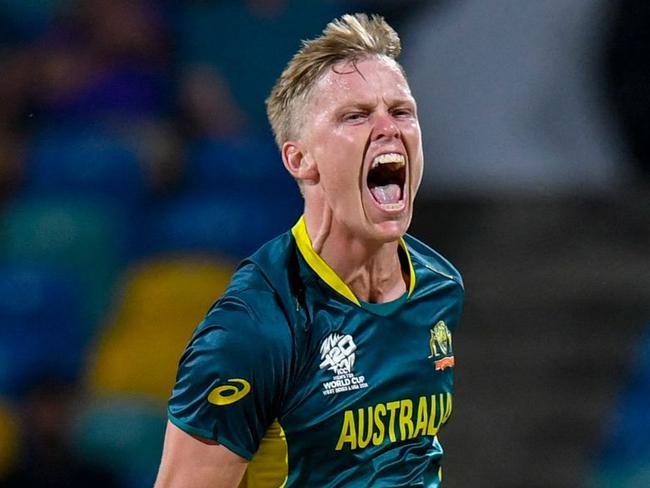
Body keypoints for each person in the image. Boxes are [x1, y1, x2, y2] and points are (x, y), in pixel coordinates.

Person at [154, 13, 464, 488]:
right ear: (300, 160)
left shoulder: (439, 286)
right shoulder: (256, 328)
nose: (388, 128)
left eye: (401, 112)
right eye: (355, 116)